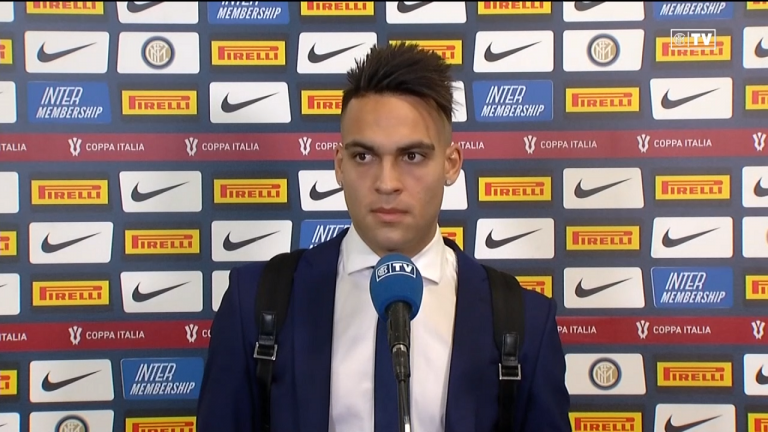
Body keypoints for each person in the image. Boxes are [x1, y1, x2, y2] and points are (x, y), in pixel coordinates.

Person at [196, 42, 570, 432]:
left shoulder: (525, 321)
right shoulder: (254, 304)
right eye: (364, 156)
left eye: (412, 156)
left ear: (451, 164)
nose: (387, 183)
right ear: (339, 165)